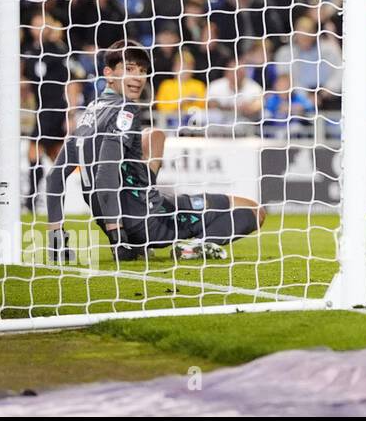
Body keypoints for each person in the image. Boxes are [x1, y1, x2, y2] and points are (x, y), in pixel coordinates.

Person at [41, 41, 263, 264]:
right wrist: (119, 240)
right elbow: (106, 176)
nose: (138, 77)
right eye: (129, 69)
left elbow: (55, 178)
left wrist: (56, 240)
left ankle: (147, 223)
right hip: (153, 220)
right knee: (255, 211)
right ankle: (193, 248)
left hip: (136, 213)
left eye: (143, 71)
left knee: (154, 135)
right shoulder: (124, 110)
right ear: (108, 74)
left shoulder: (89, 113)